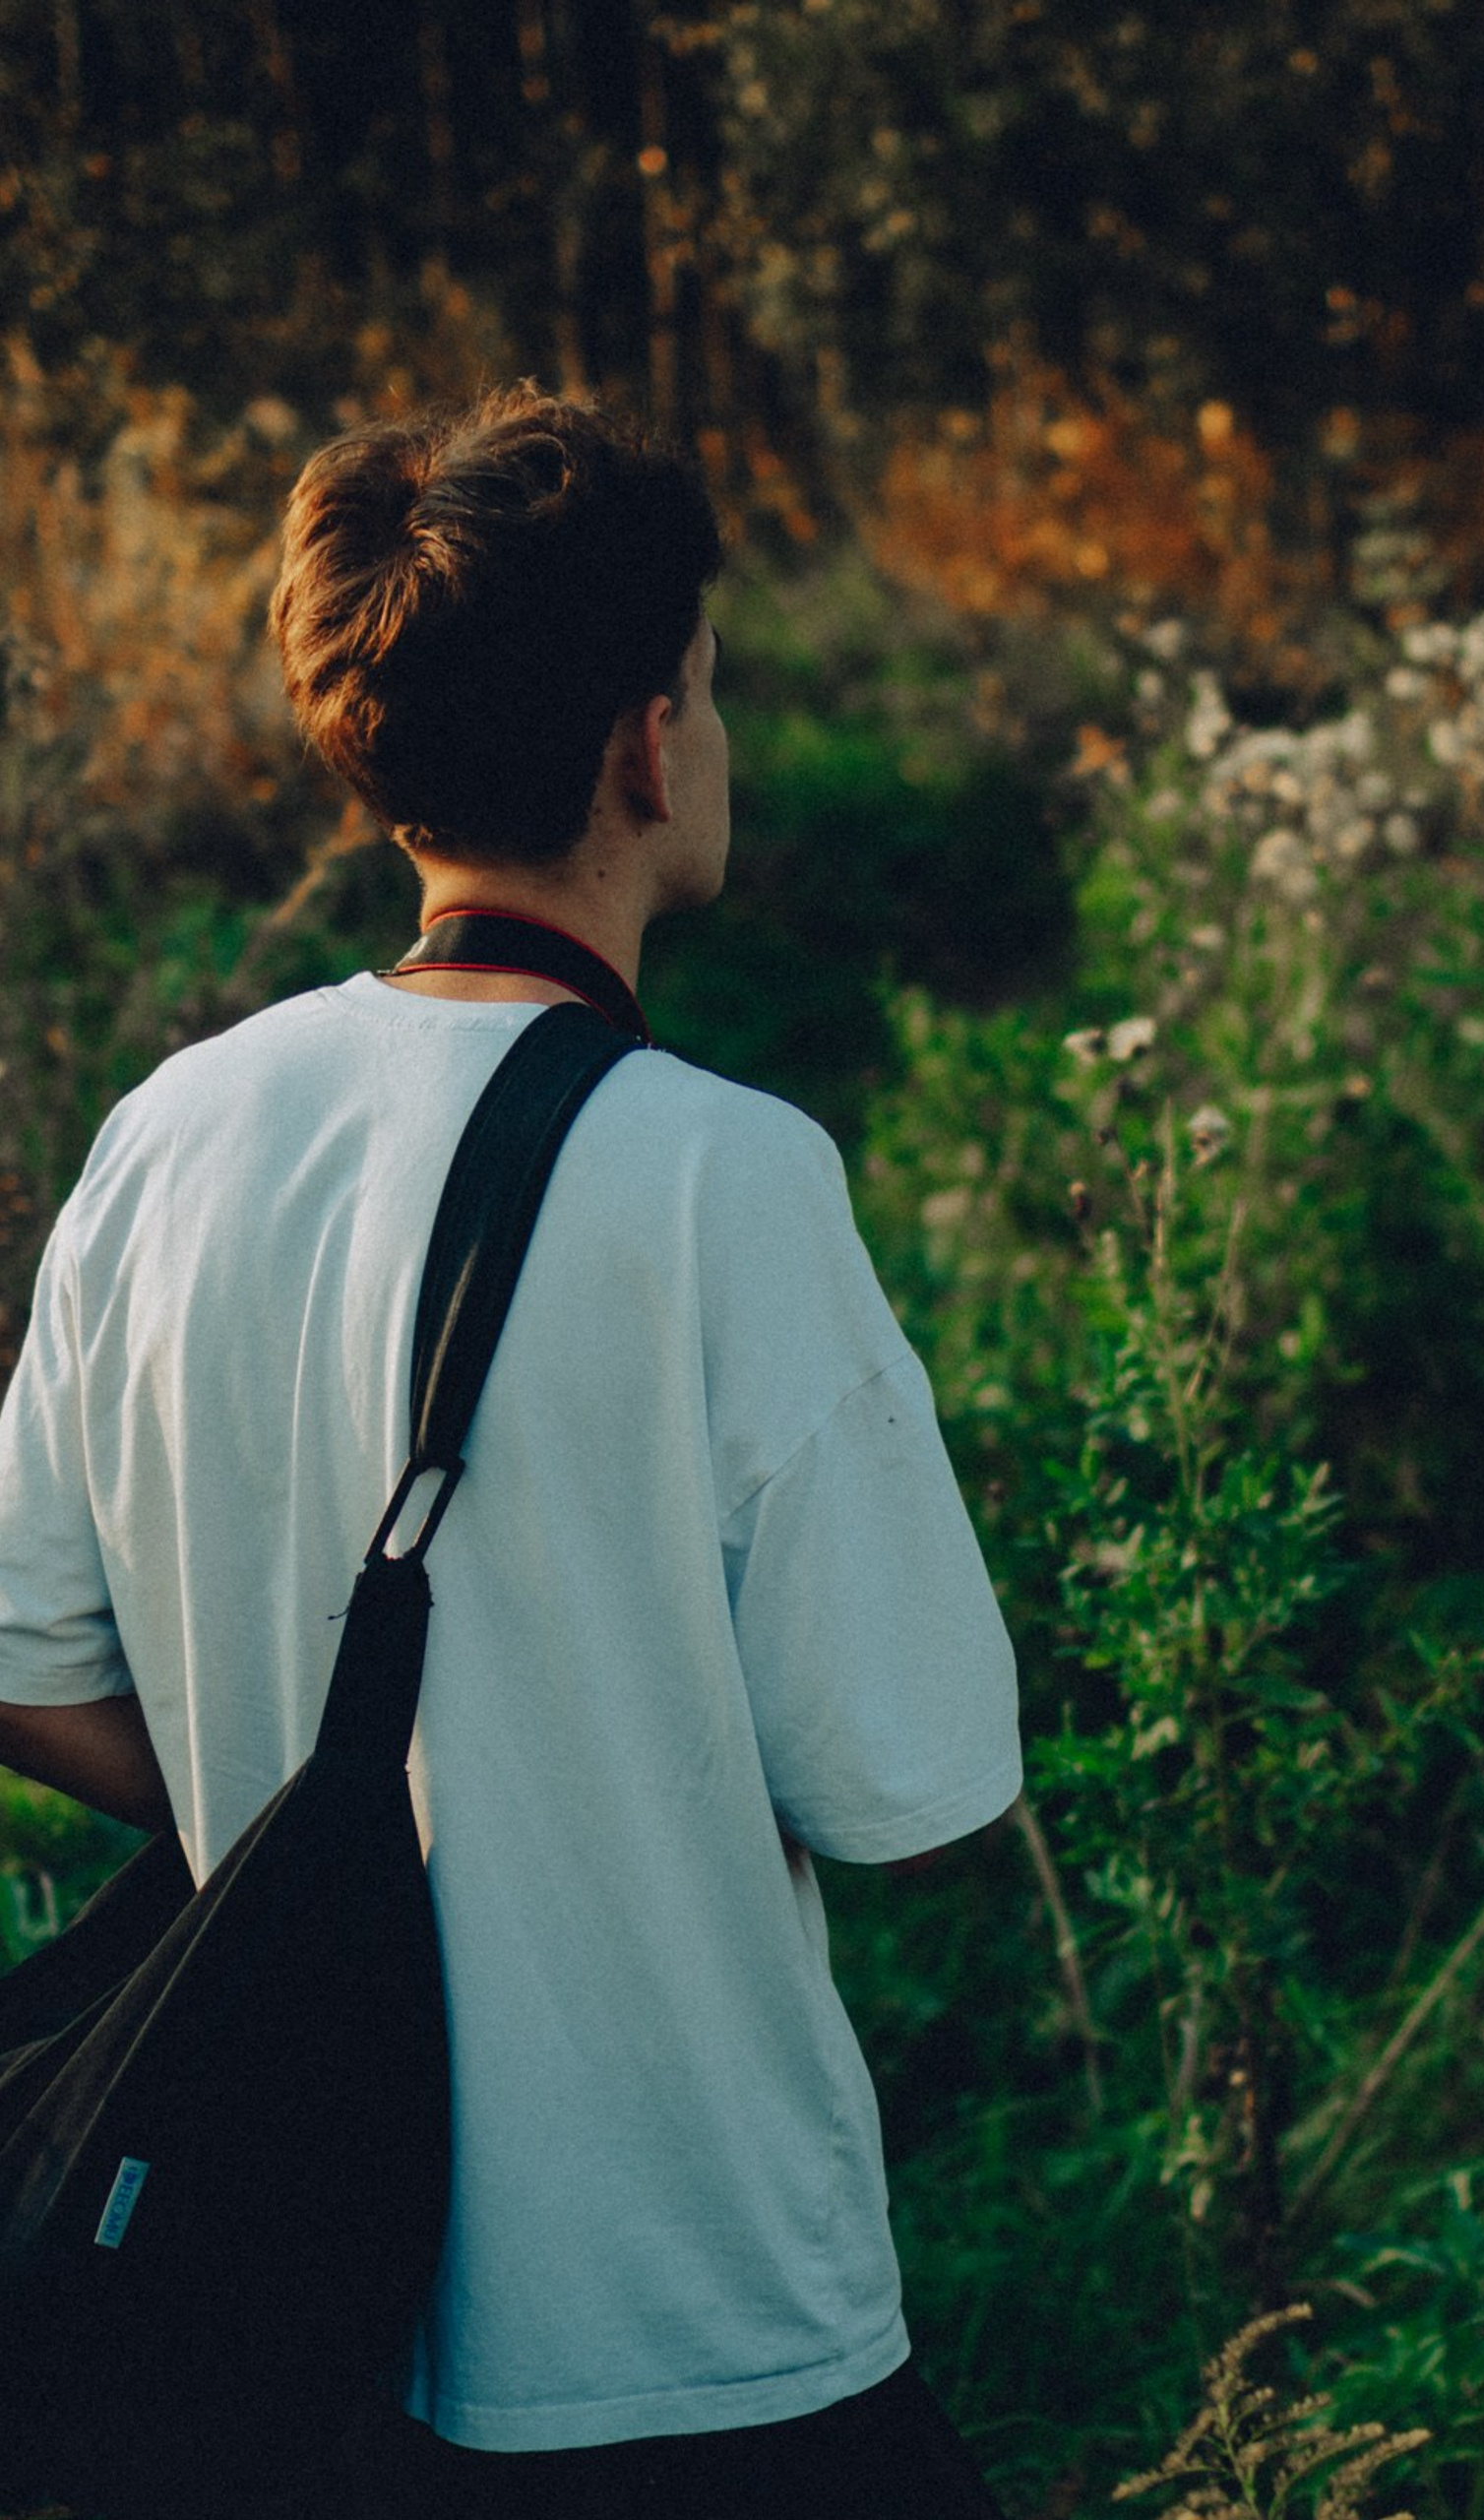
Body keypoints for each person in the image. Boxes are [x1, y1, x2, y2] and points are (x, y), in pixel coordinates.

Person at [0, 387, 1021, 2517]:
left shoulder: (169, 1134)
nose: (714, 732)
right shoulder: (730, 1179)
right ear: (648, 745)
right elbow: (910, 1790)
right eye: (708, 684)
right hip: (693, 2322)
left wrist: (297, 1812)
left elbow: (23, 1663)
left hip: (282, 2307)